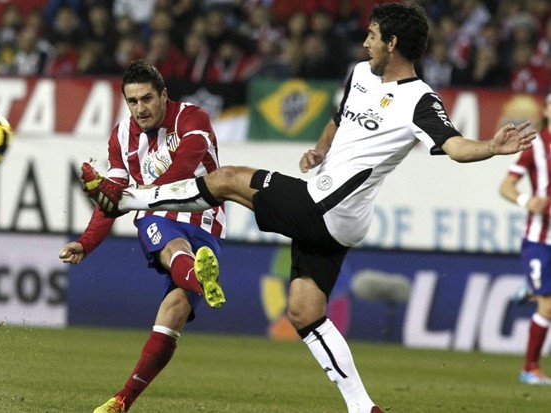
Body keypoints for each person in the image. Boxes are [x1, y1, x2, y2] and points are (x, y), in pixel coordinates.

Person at [81, 4, 536, 412]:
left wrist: (491, 148)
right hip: (334, 216)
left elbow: (454, 146)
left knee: (226, 179)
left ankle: (128, 200)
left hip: (326, 206)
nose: (366, 42)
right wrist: (319, 150)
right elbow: (341, 117)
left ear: (393, 43)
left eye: (373, 35)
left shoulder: (420, 100)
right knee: (303, 309)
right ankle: (363, 407)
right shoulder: (361, 75)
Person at [59, 59, 226, 413]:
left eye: (147, 99)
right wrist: (86, 242)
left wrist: (139, 194)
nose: (140, 109)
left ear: (164, 95)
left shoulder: (192, 118)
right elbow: (113, 199)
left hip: (204, 216)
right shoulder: (121, 136)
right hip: (158, 214)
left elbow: (184, 170)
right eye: (132, 101)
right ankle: (122, 402)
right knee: (170, 243)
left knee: (174, 312)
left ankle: (197, 274)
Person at [499, 93, 551, 385]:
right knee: (548, 306)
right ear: (546, 110)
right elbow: (506, 186)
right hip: (540, 238)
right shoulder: (537, 147)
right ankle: (529, 368)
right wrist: (526, 201)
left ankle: (530, 287)